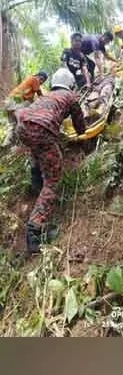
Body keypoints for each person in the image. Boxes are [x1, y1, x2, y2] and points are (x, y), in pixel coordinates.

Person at [14, 68, 86, 256]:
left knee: (38, 148)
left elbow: (32, 117)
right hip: (42, 131)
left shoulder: (46, 97)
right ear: (70, 84)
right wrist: (81, 133)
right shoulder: (70, 96)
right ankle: (34, 233)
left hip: (22, 126)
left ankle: (36, 179)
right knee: (53, 182)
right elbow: (80, 126)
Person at [4, 71, 48, 145]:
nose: (41, 82)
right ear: (37, 76)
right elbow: (40, 94)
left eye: (43, 81)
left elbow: (31, 100)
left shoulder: (29, 81)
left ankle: (7, 144)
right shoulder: (34, 79)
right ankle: (22, 143)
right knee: (24, 120)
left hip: (10, 102)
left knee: (13, 125)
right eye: (41, 79)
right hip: (16, 102)